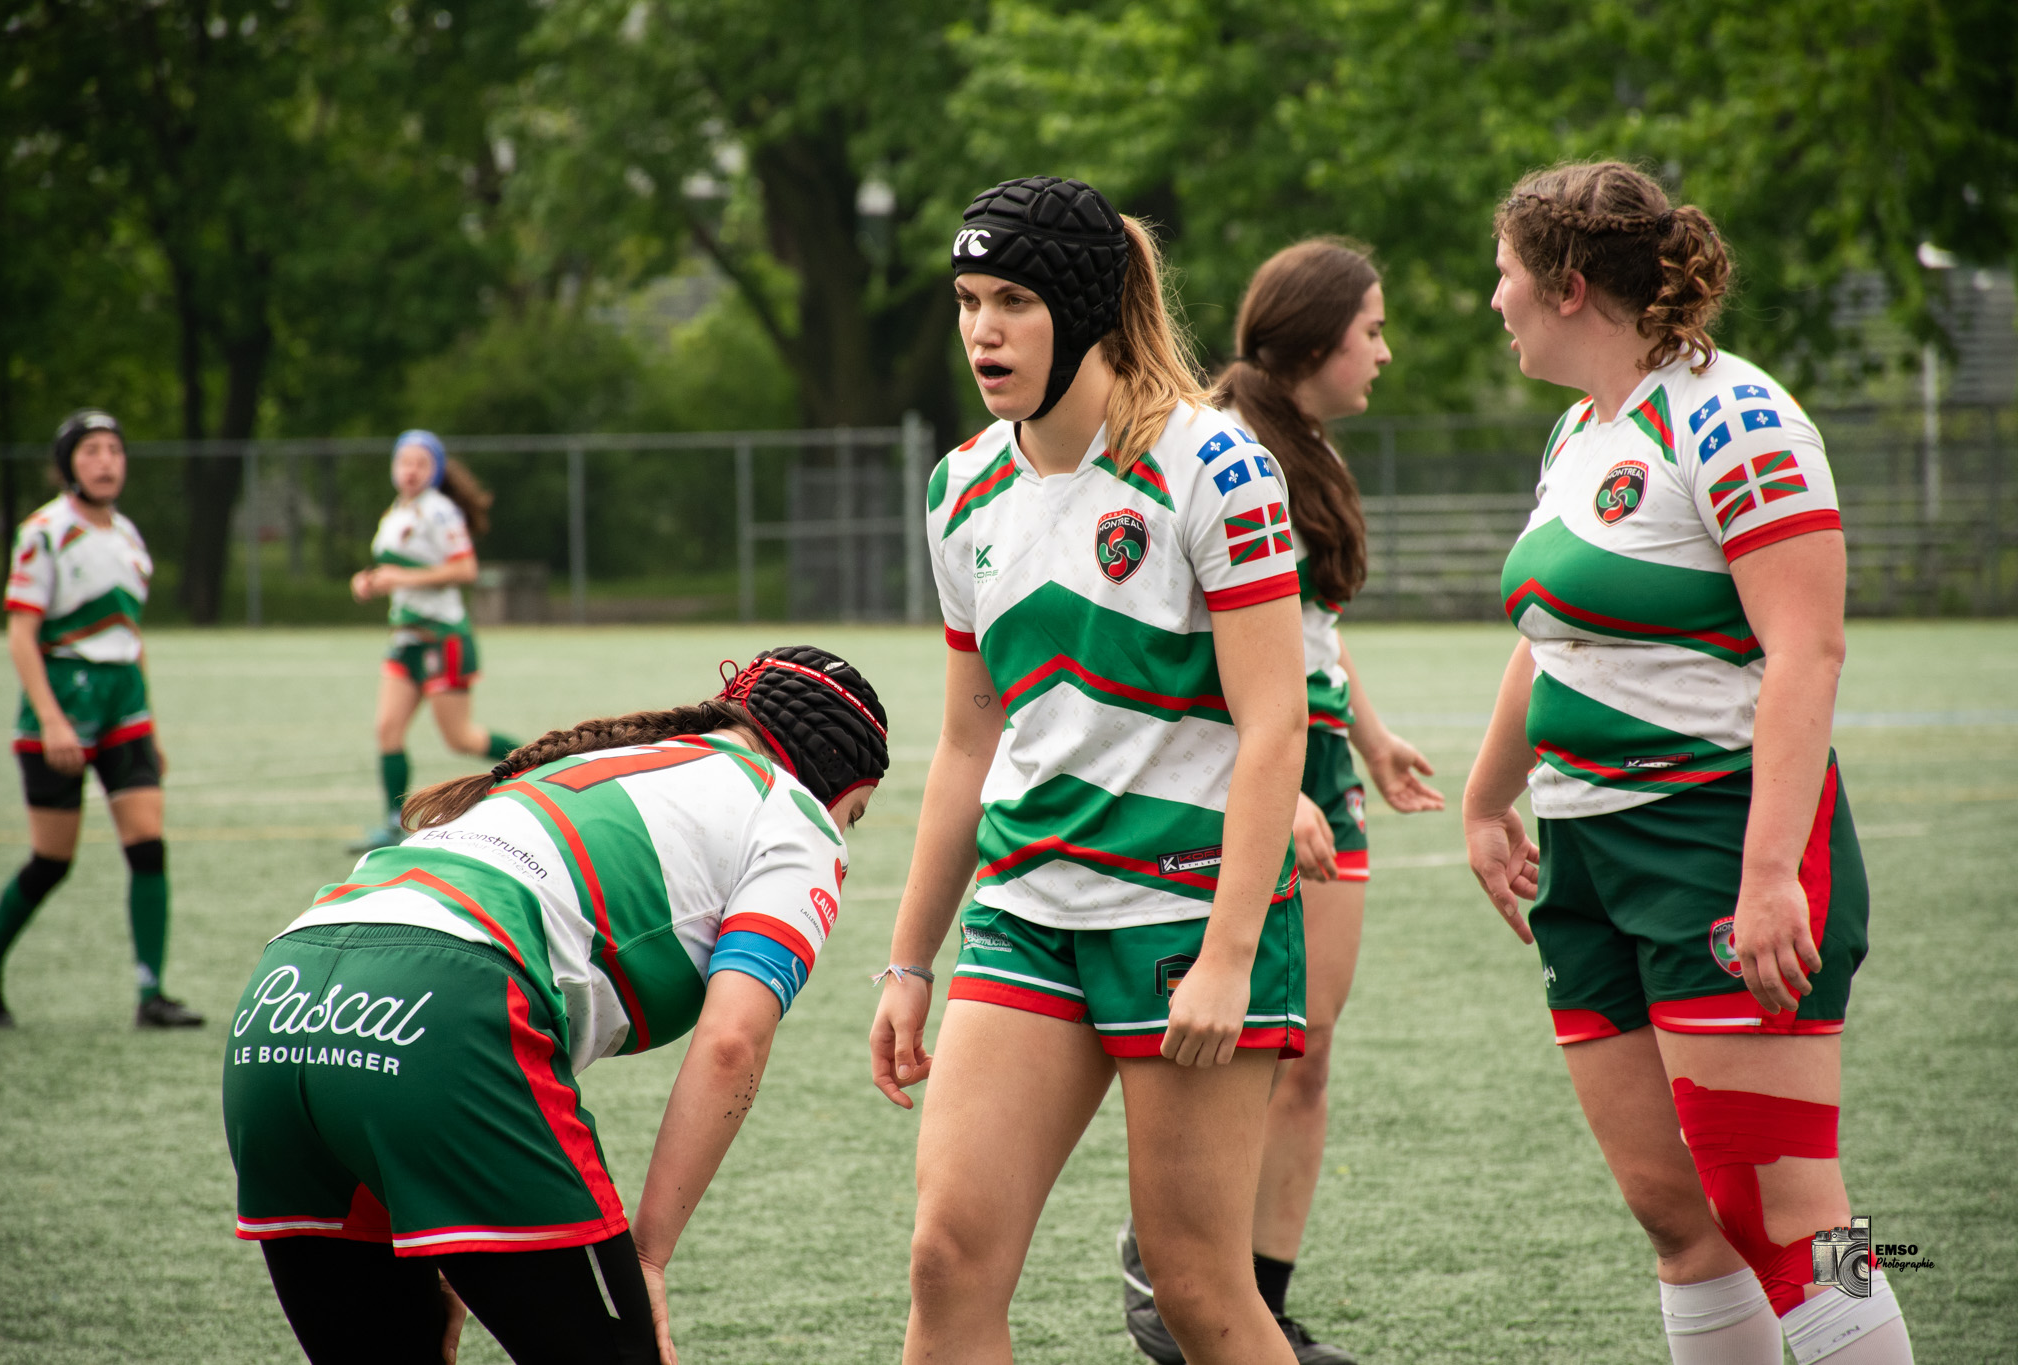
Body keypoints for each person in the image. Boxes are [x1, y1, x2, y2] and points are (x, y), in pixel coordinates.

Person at [1464, 161, 1913, 1365]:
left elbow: (1806, 648)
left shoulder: (1735, 415)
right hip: (1584, 857)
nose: (1490, 300)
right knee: (1676, 1217)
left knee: (1789, 1223)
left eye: (1501, 275)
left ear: (1565, 287)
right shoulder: (1577, 431)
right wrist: (1486, 798)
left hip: (1712, 839)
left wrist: (1768, 875)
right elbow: (1549, 634)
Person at [869, 175, 1309, 1365]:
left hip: (1181, 919)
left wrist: (1227, 956)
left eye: (1011, 301)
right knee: (946, 1260)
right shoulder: (959, 488)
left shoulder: (1212, 465)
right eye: (968, 301)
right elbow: (968, 741)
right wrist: (908, 960)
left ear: (1083, 311)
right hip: (1025, 913)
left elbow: (1275, 724)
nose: (982, 330)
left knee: (1195, 1291)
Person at [223, 647, 889, 1365]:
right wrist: (647, 1256)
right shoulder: (793, 812)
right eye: (854, 814)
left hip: (276, 1005)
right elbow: (734, 1042)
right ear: (835, 777)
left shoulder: (586, 763)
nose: (842, 829)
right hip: (447, 1014)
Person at [1115, 240, 1446, 1364]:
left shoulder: (1308, 445)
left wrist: (1370, 738)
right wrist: (1246, 785)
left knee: (1304, 1056)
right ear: (1314, 341)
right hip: (1250, 767)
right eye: (1371, 331)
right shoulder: (1218, 446)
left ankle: (1260, 1309)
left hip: (1322, 764)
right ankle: (1174, 1289)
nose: (1383, 352)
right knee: (1234, 1050)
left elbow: (1308, 631)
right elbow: (1189, 639)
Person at [0, 409, 202, 1030]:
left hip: (124, 703)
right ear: (69, 463)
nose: (105, 461)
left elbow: (130, 635)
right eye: (91, 450)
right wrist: (52, 720)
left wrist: (151, 724)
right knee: (52, 861)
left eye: (114, 450)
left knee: (148, 846)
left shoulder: (127, 535)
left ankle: (151, 994)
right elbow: (21, 635)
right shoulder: (43, 532)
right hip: (64, 698)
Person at [350, 429, 518, 852]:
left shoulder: (439, 512)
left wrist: (399, 578)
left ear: (436, 470)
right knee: (387, 730)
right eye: (404, 462)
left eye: (420, 464)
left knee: (461, 739)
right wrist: (369, 581)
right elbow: (396, 570)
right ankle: (394, 823)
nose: (410, 470)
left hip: (442, 640)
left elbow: (465, 570)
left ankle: (538, 764)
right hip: (405, 640)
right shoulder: (396, 511)